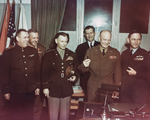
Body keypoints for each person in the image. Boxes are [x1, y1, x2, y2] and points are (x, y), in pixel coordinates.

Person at [2, 29, 40, 120]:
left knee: (29, 114)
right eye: (25, 37)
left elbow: (37, 71)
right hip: (15, 91)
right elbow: (4, 73)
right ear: (18, 38)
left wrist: (37, 86)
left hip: (30, 90)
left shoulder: (33, 51)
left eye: (27, 37)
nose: (27, 39)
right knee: (16, 115)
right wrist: (6, 90)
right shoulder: (8, 53)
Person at [42, 32, 79, 120]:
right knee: (53, 116)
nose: (64, 43)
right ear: (56, 41)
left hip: (66, 89)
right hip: (53, 89)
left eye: (66, 41)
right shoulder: (49, 54)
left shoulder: (72, 54)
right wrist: (45, 87)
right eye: (62, 41)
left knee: (65, 116)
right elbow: (44, 72)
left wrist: (75, 77)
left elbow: (77, 69)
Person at [78, 30, 122, 102]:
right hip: (93, 85)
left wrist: (116, 89)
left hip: (109, 86)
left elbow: (118, 72)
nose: (106, 42)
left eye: (109, 40)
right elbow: (82, 70)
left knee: (107, 109)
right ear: (99, 38)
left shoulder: (115, 52)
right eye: (104, 39)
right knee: (92, 108)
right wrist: (84, 65)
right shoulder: (90, 51)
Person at [121, 30, 150, 104]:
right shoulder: (124, 54)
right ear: (128, 40)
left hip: (139, 93)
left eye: (138, 39)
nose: (136, 41)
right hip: (126, 92)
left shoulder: (145, 54)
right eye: (133, 39)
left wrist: (136, 73)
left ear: (141, 40)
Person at [75, 25, 99, 101]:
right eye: (87, 33)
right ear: (85, 35)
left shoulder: (100, 46)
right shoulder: (80, 47)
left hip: (97, 78)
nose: (89, 35)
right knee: (87, 100)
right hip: (85, 78)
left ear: (94, 33)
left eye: (91, 33)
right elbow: (77, 64)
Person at [28, 29, 46, 120]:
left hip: (39, 81)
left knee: (38, 104)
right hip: (27, 82)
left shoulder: (42, 48)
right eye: (33, 37)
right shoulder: (24, 48)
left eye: (37, 37)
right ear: (28, 38)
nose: (36, 40)